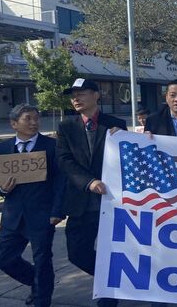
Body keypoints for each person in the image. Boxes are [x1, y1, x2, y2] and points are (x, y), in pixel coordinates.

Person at [56, 78, 126, 307]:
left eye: (81, 93)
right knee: (77, 253)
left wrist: (124, 140)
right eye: (73, 94)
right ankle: (115, 278)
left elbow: (128, 157)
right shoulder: (66, 126)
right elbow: (64, 160)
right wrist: (89, 182)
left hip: (111, 201)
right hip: (81, 201)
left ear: (97, 95)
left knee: (111, 249)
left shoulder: (116, 124)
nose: (75, 98)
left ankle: (108, 297)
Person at [0, 104, 64, 307]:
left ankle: (42, 300)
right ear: (14, 123)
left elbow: (60, 182)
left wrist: (57, 211)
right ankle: (37, 284)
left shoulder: (51, 147)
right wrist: (3, 190)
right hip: (13, 216)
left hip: (42, 215)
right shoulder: (2, 149)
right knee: (3, 258)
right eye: (28, 119)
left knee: (43, 260)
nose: (34, 122)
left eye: (37, 118)